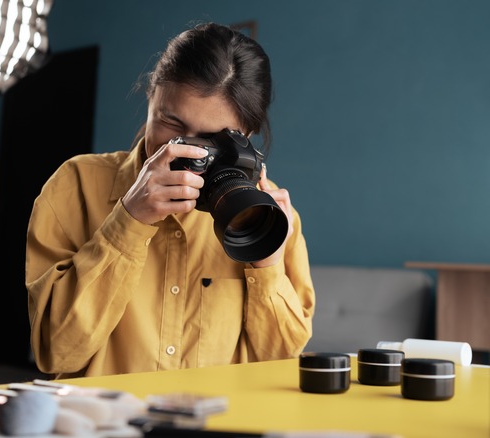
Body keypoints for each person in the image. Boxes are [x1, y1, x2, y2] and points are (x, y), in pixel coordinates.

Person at [25, 22, 315, 378]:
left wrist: (266, 265)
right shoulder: (76, 185)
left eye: (212, 138)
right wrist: (128, 222)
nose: (182, 149)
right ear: (151, 98)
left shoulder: (269, 218)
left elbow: (283, 365)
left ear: (246, 136)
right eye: (170, 122)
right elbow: (55, 353)